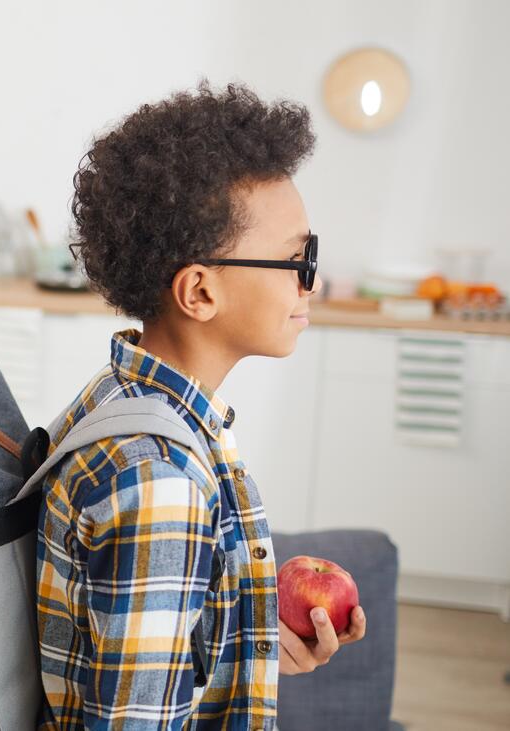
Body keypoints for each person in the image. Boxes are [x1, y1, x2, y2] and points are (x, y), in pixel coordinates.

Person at [36, 82, 368, 730]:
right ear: (199, 290)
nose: (314, 280)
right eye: (296, 260)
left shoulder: (122, 397)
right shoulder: (159, 479)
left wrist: (243, 636)